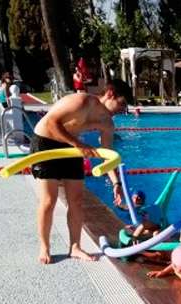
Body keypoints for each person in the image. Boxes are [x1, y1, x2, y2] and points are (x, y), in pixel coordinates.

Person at [31, 79, 132, 264]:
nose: (122, 109)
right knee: (48, 201)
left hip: (71, 146)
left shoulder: (107, 124)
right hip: (45, 143)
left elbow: (108, 155)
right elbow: (52, 122)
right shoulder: (81, 102)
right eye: (121, 103)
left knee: (76, 200)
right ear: (110, 93)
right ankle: (44, 247)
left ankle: (75, 247)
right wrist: (78, 144)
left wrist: (116, 183)